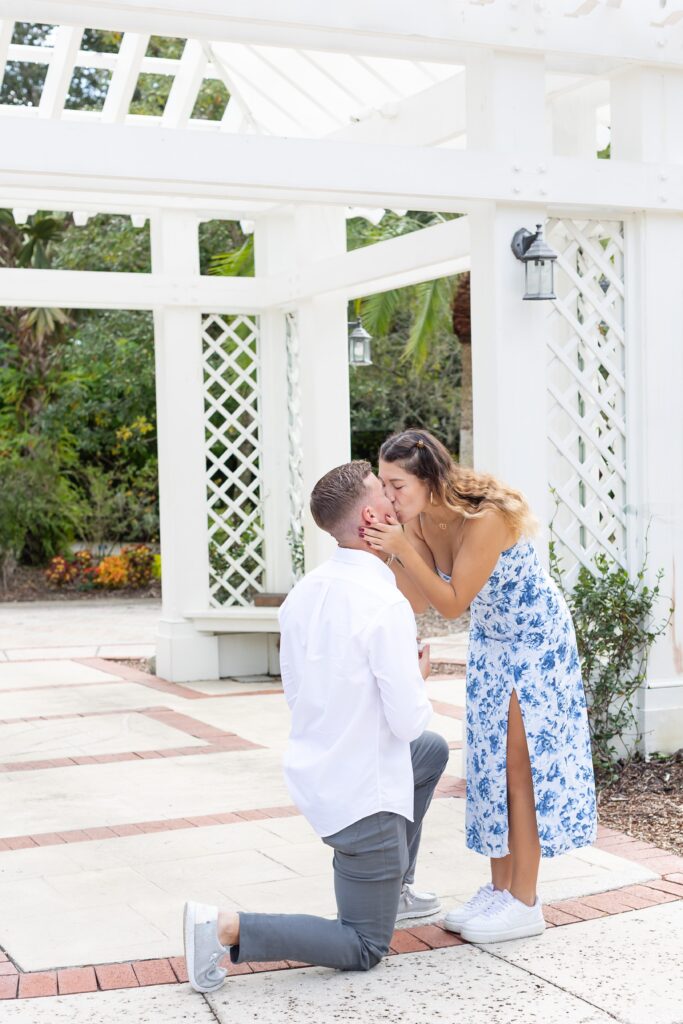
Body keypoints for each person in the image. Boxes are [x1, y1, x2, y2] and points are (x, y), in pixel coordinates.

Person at [184, 460, 449, 993]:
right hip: (365, 803)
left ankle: (393, 884)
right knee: (364, 944)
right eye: (384, 491)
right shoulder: (385, 604)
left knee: (431, 751)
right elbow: (405, 719)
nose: (394, 497)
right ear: (371, 517)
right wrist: (416, 677)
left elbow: (298, 694)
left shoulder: (304, 592)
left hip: (321, 777)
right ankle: (222, 927)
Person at [362, 429, 597, 945]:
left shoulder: (485, 518)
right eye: (384, 484)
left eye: (397, 485)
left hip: (535, 641)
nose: (390, 495)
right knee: (488, 766)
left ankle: (525, 901)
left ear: (428, 479)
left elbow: (452, 603)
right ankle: (499, 890)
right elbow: (417, 599)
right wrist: (387, 550)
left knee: (519, 767)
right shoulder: (418, 520)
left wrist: (400, 546)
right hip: (492, 642)